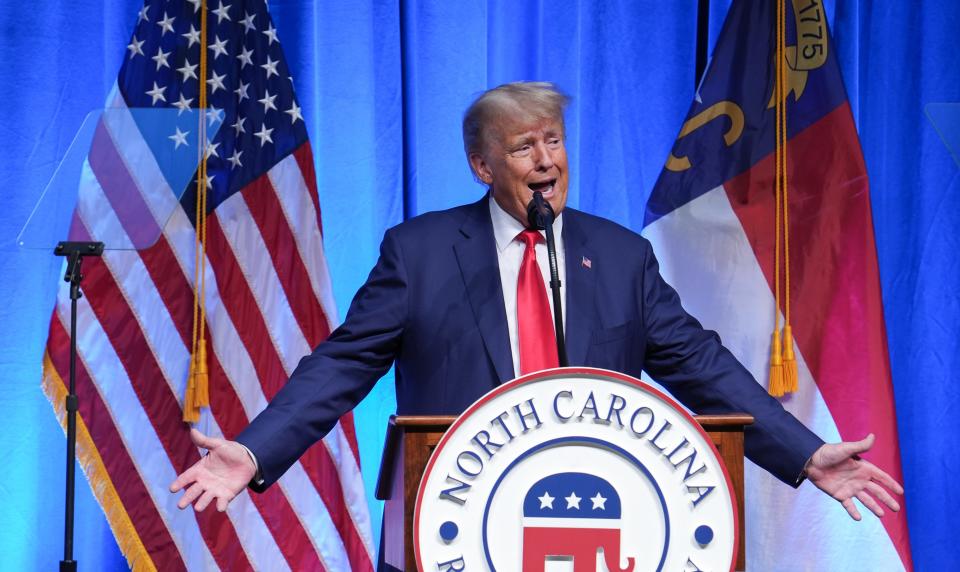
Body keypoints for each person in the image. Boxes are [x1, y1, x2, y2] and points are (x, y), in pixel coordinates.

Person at [170, 82, 902, 525]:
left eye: (553, 140)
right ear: (483, 165)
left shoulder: (619, 256)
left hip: (597, 515)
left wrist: (805, 455)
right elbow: (341, 365)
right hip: (455, 523)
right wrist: (254, 452)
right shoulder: (419, 253)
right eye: (523, 147)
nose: (546, 160)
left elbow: (702, 365)